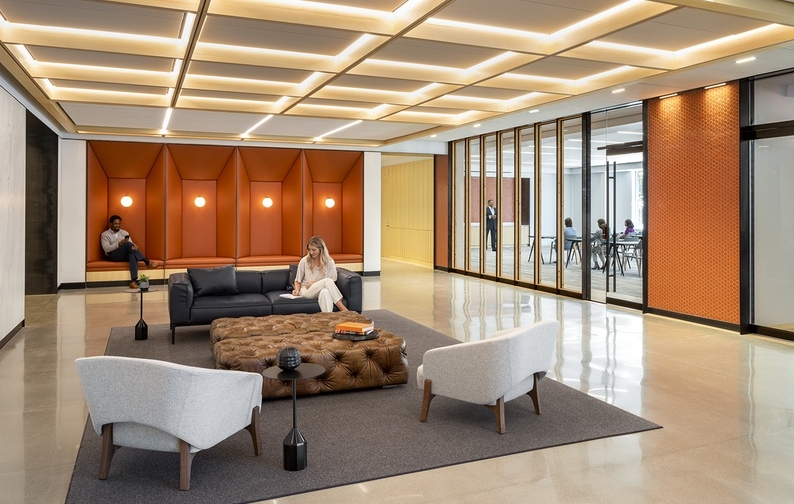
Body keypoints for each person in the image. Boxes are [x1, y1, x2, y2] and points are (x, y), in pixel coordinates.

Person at [101, 215, 161, 289]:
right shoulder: (105, 234)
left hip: (124, 255)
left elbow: (131, 244)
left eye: (119, 224)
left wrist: (134, 246)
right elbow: (106, 249)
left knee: (132, 256)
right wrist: (119, 244)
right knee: (126, 244)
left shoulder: (124, 232)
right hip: (112, 255)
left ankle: (133, 281)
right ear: (111, 224)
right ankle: (147, 262)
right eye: (116, 224)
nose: (118, 225)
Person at [292, 236, 350, 312]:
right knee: (328, 281)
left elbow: (333, 282)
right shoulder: (304, 261)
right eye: (309, 250)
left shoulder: (329, 262)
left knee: (325, 292)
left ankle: (328, 319)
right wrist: (296, 290)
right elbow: (297, 280)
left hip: (321, 289)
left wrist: (315, 283)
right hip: (307, 290)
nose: (311, 252)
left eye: (314, 250)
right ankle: (343, 308)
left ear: (321, 249)